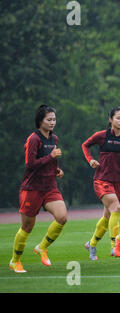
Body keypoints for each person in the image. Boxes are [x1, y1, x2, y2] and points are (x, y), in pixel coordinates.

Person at [9, 104, 67, 273]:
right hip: (32, 188)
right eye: (49, 119)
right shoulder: (33, 139)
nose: (52, 122)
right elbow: (30, 164)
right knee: (27, 227)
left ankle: (42, 247)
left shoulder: (54, 139)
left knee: (62, 217)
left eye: (54, 119)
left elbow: (50, 162)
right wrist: (50, 157)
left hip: (49, 186)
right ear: (40, 121)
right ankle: (15, 261)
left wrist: (56, 170)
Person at [82, 107, 120, 260]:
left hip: (119, 181)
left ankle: (92, 244)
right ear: (111, 120)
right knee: (117, 208)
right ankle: (115, 246)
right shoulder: (102, 135)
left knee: (108, 216)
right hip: (102, 179)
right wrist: (91, 160)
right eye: (118, 118)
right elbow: (85, 145)